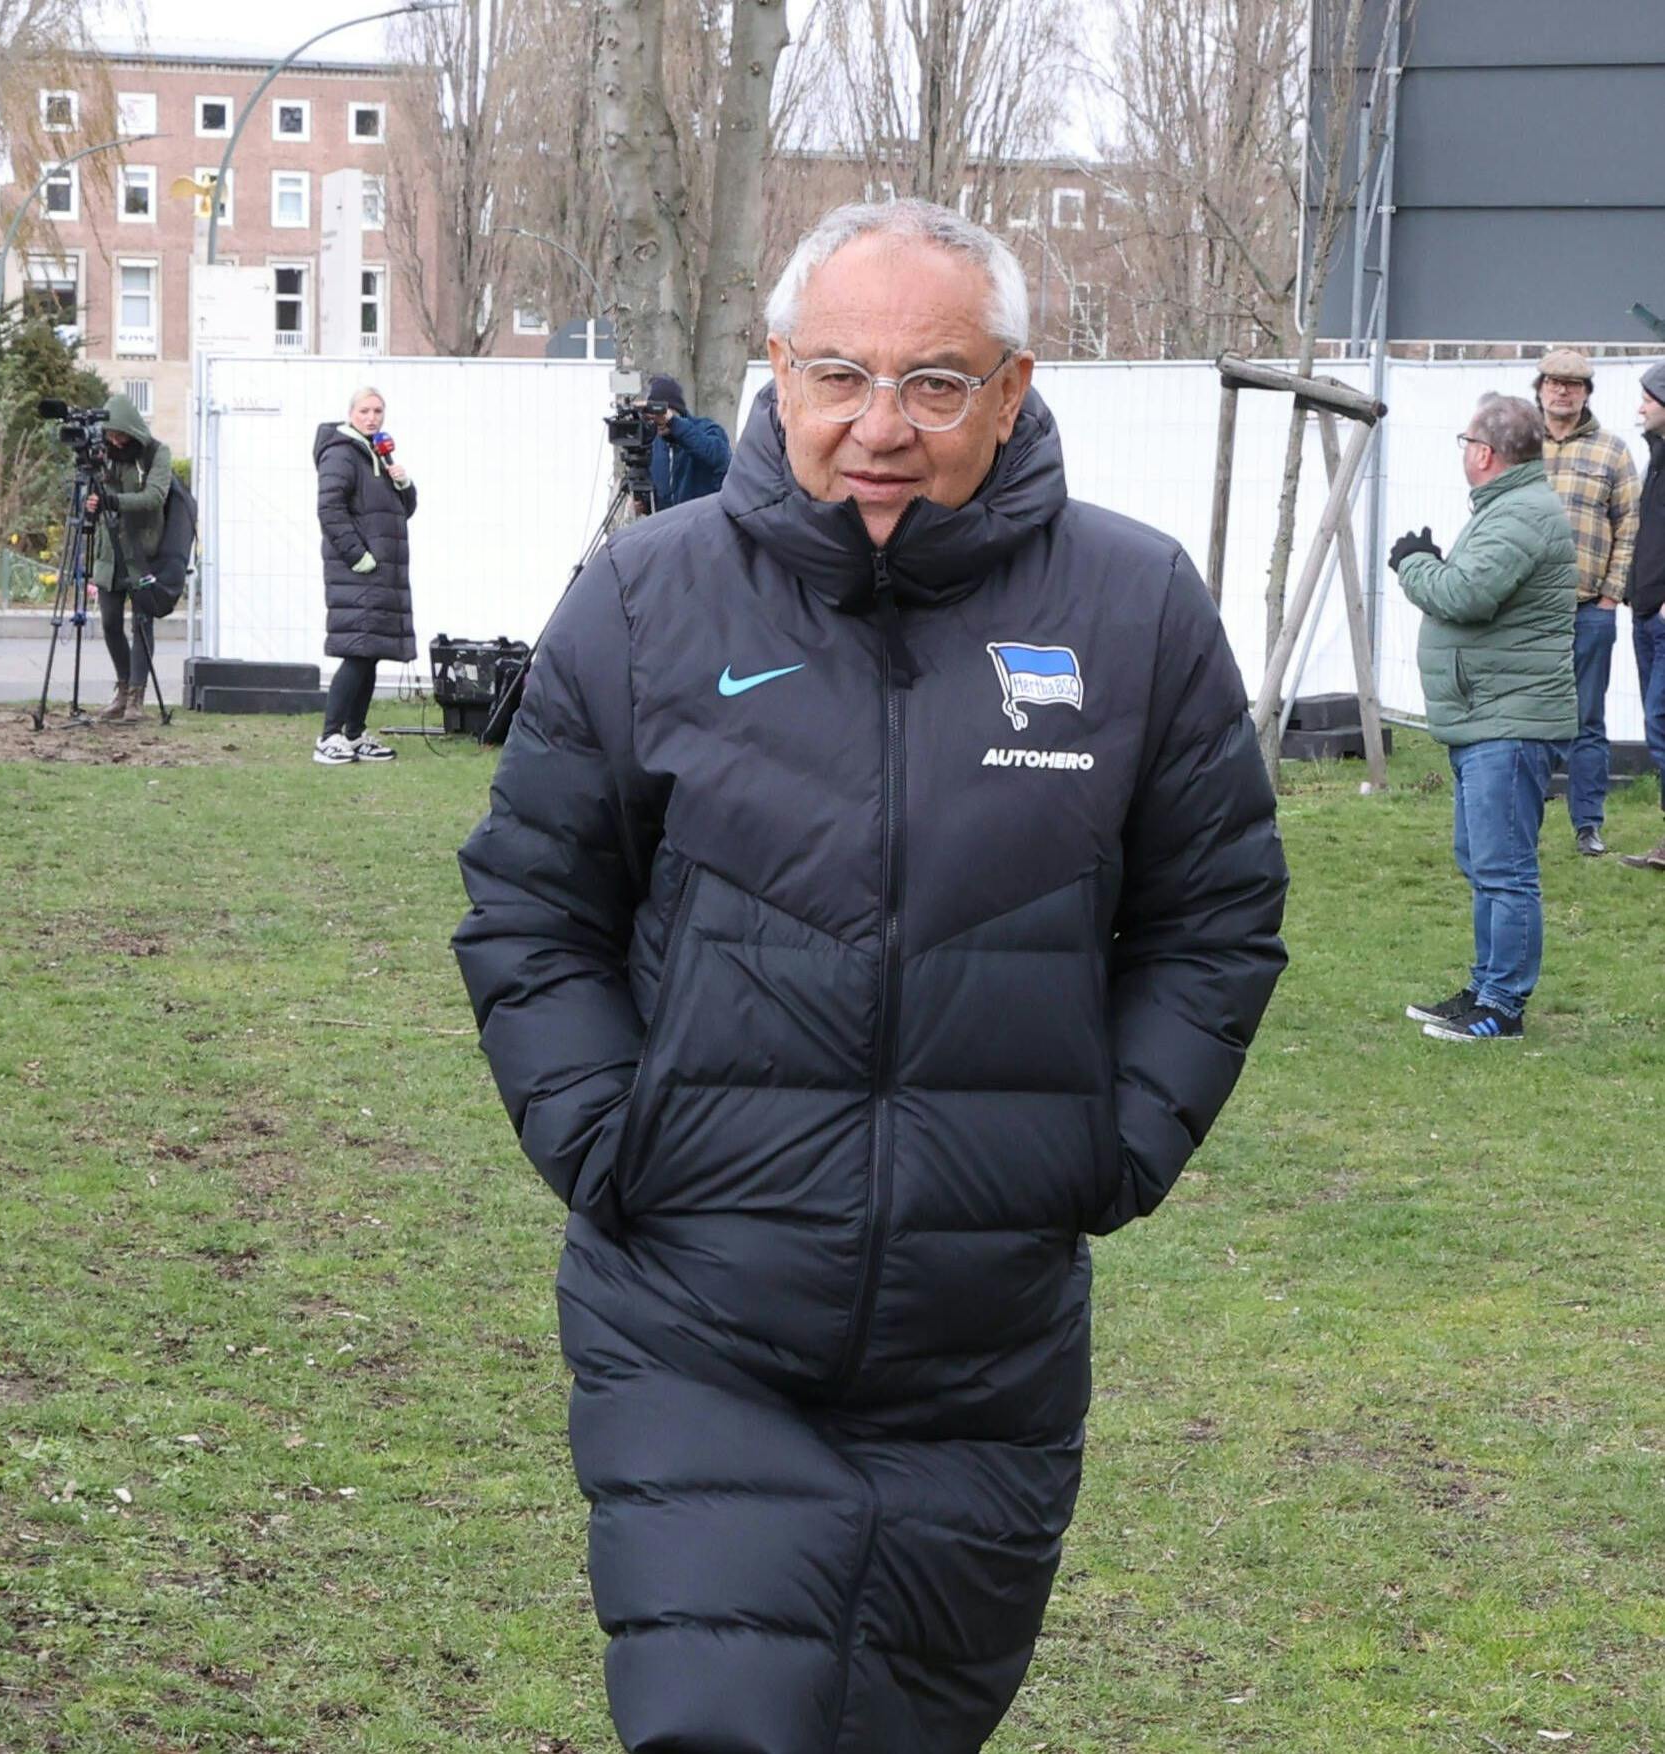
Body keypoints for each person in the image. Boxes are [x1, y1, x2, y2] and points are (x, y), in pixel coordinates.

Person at [453, 199, 1287, 1753]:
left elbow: (1213, 913)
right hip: (698, 1305)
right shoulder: (643, 599)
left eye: (934, 382)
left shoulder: (1133, 605)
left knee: (904, 1718)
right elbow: (531, 902)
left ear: (1013, 388)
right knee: (725, 1712)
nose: (879, 426)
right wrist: (607, 1133)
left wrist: (1108, 1145)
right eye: (839, 373)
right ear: (777, 368)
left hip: (983, 1334)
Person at [1391, 393, 1577, 1042]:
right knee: (1484, 860)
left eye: (1466, 442)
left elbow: (1465, 595)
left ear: (1483, 452)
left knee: (1505, 868)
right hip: (1490, 717)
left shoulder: (1520, 512)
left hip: (1510, 722)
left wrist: (1414, 562)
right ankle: (1484, 986)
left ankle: (1503, 1006)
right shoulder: (1510, 508)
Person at [1535, 347, 1640, 856]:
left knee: (1588, 720)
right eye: (1554, 382)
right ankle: (1522, 820)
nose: (1562, 391)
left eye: (1573, 385)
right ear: (1540, 388)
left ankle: (1587, 825)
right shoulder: (1518, 443)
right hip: (1526, 611)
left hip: (1588, 610)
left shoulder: (1613, 452)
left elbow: (1630, 527)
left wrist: (1609, 596)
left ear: (1586, 393)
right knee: (1526, 717)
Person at [313, 386, 416, 765]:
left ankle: (354, 735)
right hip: (358, 573)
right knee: (357, 653)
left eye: (378, 411)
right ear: (350, 414)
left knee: (370, 653)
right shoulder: (341, 454)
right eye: (364, 411)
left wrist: (403, 483)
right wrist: (359, 557)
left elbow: (403, 510)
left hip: (380, 573)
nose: (372, 418)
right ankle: (328, 737)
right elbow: (330, 509)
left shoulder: (379, 453)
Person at [83, 394, 172, 724]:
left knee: (142, 624)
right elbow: (92, 494)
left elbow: (155, 496)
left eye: (120, 434)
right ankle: (122, 689)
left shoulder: (156, 453)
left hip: (142, 552)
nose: (115, 441)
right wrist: (92, 502)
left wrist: (113, 500)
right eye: (110, 435)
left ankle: (137, 696)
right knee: (109, 623)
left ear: (133, 429)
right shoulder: (104, 455)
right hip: (110, 551)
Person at [1619, 362, 1665, 871]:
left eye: (1649, 398)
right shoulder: (1657, 457)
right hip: (1647, 615)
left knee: (1661, 721)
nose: (1640, 407)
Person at [640, 373, 730, 511]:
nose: (658, 420)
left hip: (704, 525)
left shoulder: (707, 429)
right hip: (669, 529)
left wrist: (674, 424)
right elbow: (663, 498)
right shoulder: (654, 442)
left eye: (661, 413)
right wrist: (643, 504)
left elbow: (717, 456)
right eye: (653, 416)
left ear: (677, 411)